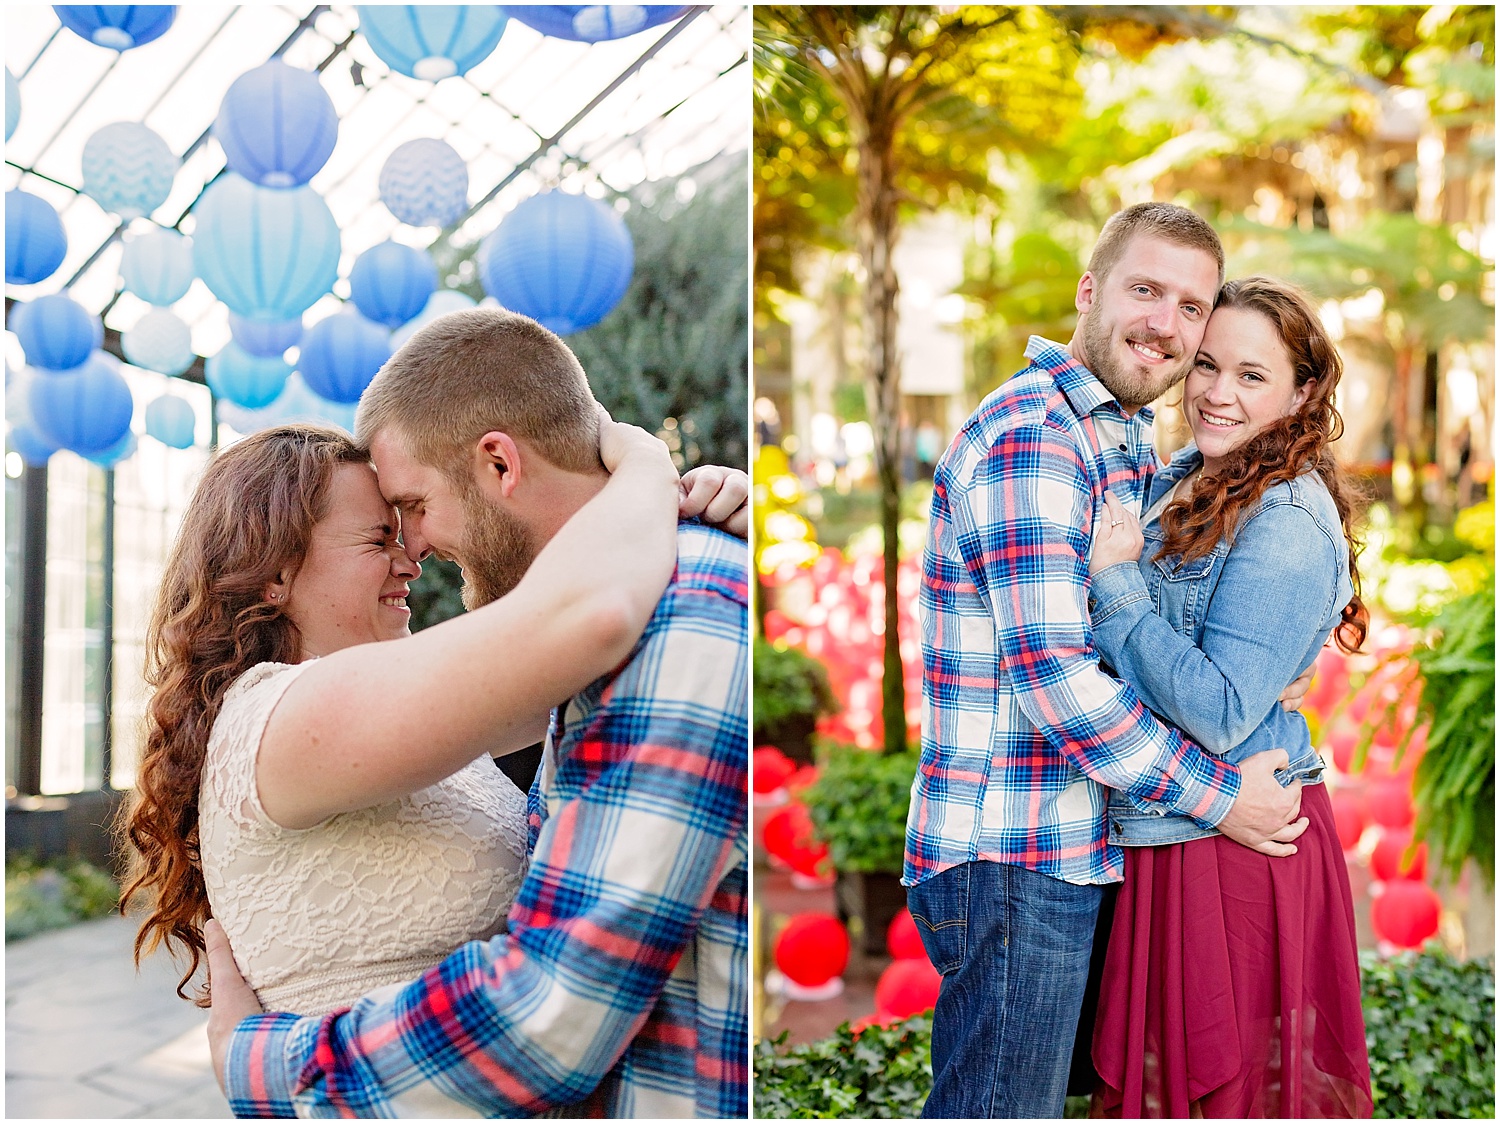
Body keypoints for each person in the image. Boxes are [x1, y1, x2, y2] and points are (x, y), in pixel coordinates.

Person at [199, 308, 750, 1118]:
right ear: (274, 575)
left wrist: (255, 1060)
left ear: (498, 464)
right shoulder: (281, 714)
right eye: (380, 535)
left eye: (410, 511)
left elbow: (548, 1012)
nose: (412, 554)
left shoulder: (652, 611)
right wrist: (644, 464)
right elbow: (584, 614)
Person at [904, 203, 1311, 1119]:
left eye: (1191, 307)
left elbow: (1150, 625)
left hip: (1077, 845)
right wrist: (1222, 797)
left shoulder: (1122, 436)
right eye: (1144, 290)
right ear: (1090, 293)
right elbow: (1060, 684)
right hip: (1017, 853)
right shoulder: (1035, 436)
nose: (1166, 324)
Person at [1087, 277, 1373, 1117]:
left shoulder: (1284, 516)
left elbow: (1218, 711)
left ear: (1304, 390)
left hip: (1239, 846)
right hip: (1181, 826)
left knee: (1228, 1093)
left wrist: (1118, 589)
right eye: (1207, 365)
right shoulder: (1192, 478)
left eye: (1252, 375)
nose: (1216, 392)